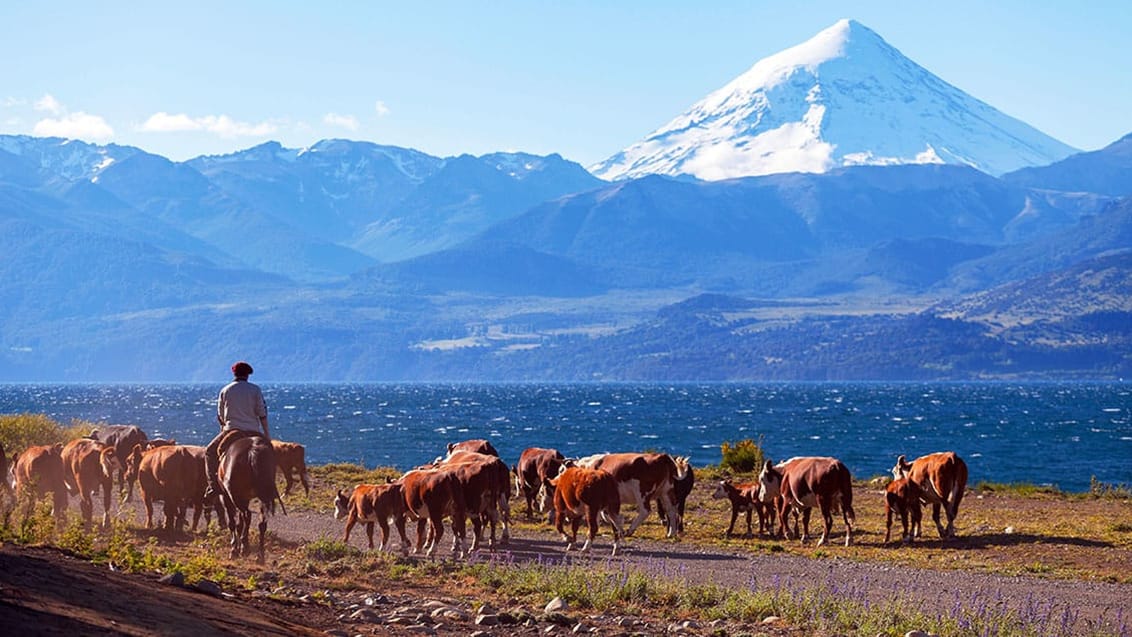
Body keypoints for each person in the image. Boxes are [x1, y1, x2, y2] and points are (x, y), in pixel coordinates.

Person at [203, 361, 270, 499]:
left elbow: (221, 416)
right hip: (253, 430)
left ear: (234, 373)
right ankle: (270, 485)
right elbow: (262, 413)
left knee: (209, 452)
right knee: (269, 455)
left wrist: (223, 430)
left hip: (232, 430)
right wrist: (266, 435)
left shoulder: (225, 390)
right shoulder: (255, 390)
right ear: (248, 375)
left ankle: (213, 487)